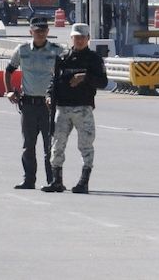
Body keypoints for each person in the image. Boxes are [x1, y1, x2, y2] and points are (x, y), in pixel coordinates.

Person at [43, 23, 107, 194]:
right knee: (57, 145)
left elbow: (103, 82)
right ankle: (57, 181)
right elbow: (53, 81)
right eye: (75, 37)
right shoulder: (63, 57)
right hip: (62, 108)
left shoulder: (94, 59)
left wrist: (85, 77)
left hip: (83, 108)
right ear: (71, 38)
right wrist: (49, 96)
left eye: (82, 37)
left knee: (85, 145)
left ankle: (83, 182)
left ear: (88, 39)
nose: (78, 40)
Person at [5, 17, 63, 189]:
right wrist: (9, 90)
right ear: (30, 32)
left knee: (50, 146)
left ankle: (52, 180)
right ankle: (29, 180)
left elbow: (65, 74)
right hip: (29, 104)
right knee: (28, 145)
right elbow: (8, 71)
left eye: (43, 31)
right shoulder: (22, 50)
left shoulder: (57, 50)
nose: (40, 34)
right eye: (37, 31)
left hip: (49, 106)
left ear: (48, 32)